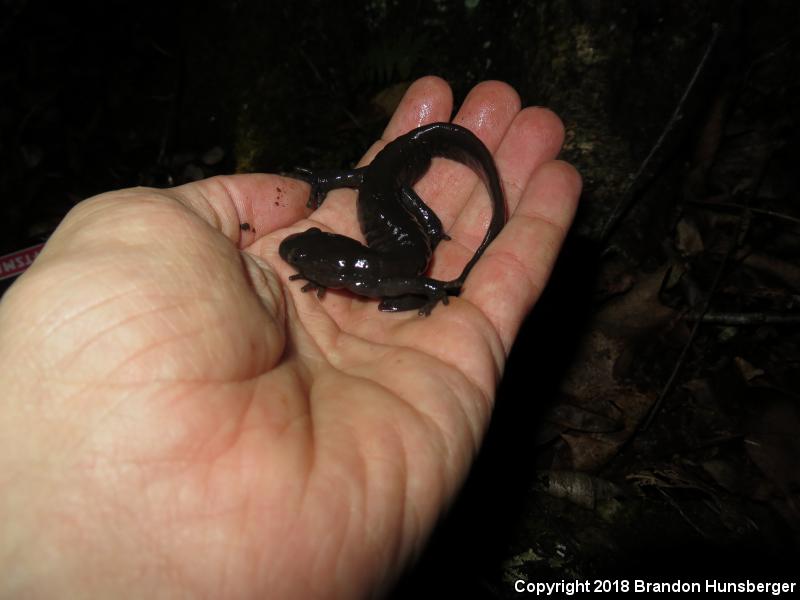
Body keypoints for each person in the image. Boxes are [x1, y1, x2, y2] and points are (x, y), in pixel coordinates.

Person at [0, 77, 580, 598]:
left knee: (387, 192)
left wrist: (434, 277)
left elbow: (414, 282)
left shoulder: (390, 269)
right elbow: (366, 268)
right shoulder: (369, 268)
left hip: (392, 204)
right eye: (310, 265)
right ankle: (373, 197)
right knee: (381, 187)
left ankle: (396, 199)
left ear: (345, 259)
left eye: (312, 263)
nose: (307, 264)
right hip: (384, 204)